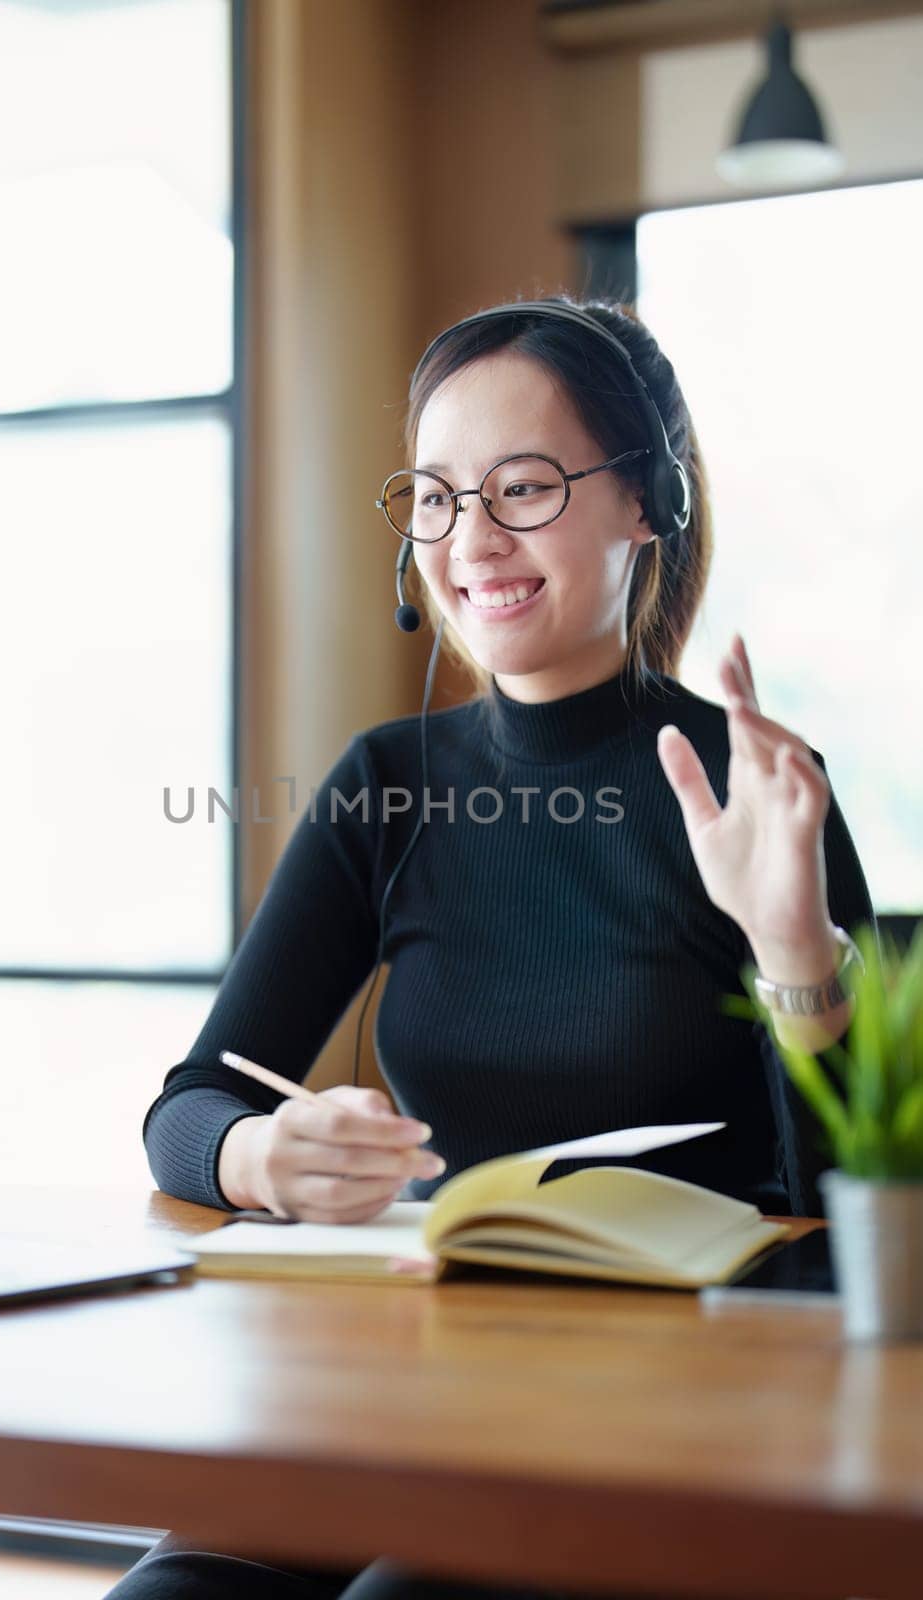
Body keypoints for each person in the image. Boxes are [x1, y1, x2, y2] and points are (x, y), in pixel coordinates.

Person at [104, 295, 875, 1600]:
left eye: (524, 488)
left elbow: (867, 1225)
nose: (472, 541)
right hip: (413, 1394)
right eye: (437, 497)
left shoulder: (761, 786)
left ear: (646, 502)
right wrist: (262, 1153)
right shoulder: (387, 786)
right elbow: (192, 1106)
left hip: (678, 1426)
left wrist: (791, 947)